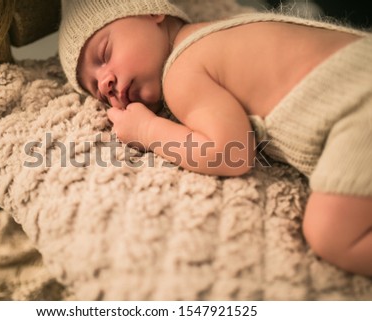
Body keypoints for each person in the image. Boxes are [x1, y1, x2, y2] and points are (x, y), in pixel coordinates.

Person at [58, 0, 372, 276]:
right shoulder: (219, 34)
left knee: (331, 235)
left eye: (105, 53)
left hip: (357, 107)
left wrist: (147, 131)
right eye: (96, 89)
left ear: (151, 11)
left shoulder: (182, 70)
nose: (106, 82)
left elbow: (230, 153)